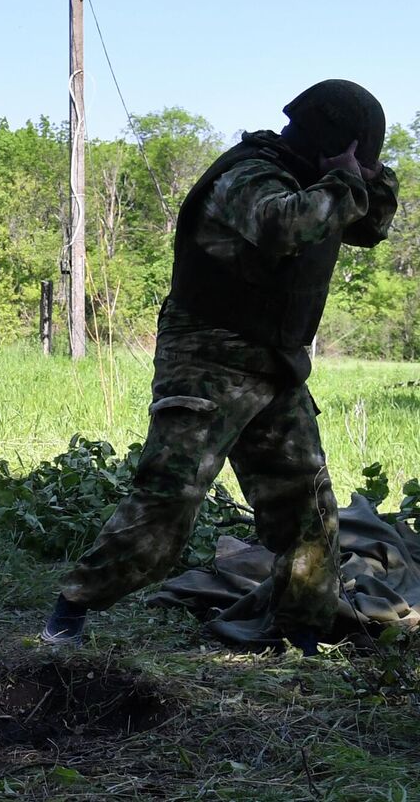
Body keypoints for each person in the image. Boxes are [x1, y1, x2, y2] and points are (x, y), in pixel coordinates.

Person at [43, 80, 400, 650]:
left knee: (307, 507)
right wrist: (344, 177)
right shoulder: (249, 174)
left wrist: (365, 175)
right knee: (170, 498)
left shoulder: (321, 181)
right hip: (208, 358)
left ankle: (301, 634)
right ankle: (71, 610)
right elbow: (283, 226)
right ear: (333, 143)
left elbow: (370, 227)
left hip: (274, 363)